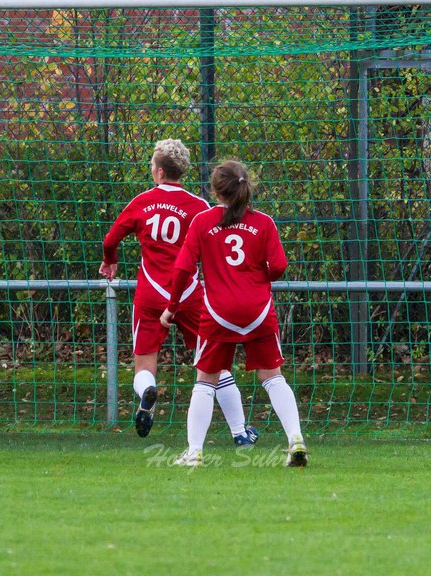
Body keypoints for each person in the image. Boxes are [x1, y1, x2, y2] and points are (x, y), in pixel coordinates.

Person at [99, 139, 258, 445]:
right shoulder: (199, 206)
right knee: (215, 362)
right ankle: (239, 431)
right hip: (188, 293)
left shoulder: (142, 202)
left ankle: (148, 390)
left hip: (151, 292)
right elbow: (215, 240)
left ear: (158, 172)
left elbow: (110, 239)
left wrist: (110, 262)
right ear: (181, 171)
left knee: (144, 363)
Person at [161, 160, 307, 468]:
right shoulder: (264, 222)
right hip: (258, 310)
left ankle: (195, 452)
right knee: (273, 377)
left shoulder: (202, 222)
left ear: (215, 189)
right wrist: (259, 277)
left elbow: (183, 270)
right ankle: (295, 439)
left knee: (205, 382)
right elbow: (279, 266)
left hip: (218, 312)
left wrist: (171, 308)